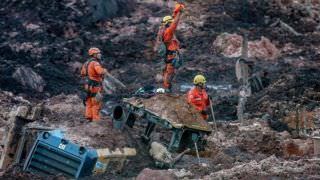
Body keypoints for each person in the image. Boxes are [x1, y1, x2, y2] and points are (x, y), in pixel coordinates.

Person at [160, 2, 185, 92]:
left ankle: (168, 86)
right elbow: (174, 24)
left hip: (172, 54)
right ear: (168, 23)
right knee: (169, 72)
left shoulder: (166, 31)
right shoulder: (168, 32)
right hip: (171, 56)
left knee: (171, 72)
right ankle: (166, 87)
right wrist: (179, 13)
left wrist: (177, 12)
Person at [81, 47, 107, 121]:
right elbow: (100, 72)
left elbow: (82, 73)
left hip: (87, 85)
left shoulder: (86, 63)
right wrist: (104, 70)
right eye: (98, 53)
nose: (100, 54)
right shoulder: (95, 63)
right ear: (94, 55)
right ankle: (96, 120)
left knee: (88, 101)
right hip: (95, 85)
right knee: (96, 102)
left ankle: (88, 116)